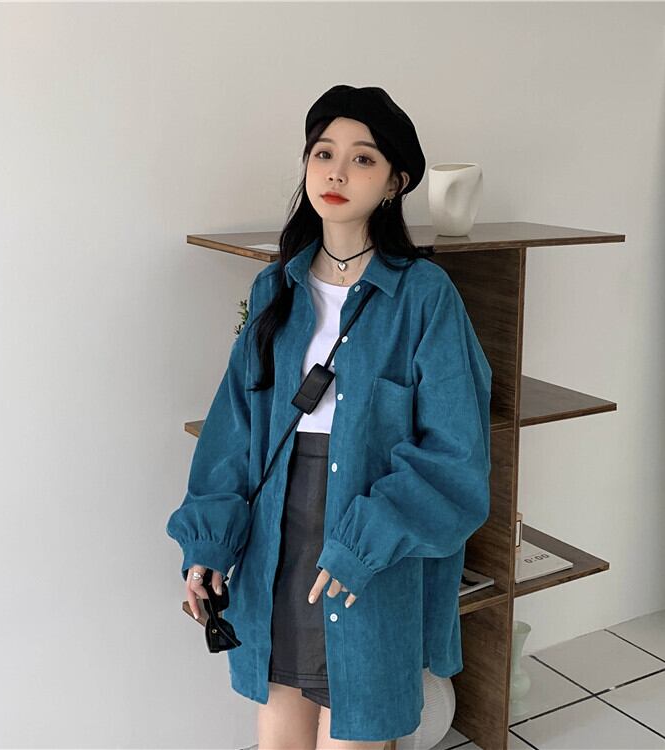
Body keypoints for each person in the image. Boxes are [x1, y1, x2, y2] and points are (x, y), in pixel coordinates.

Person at [166, 84, 493, 750]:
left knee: (356, 731)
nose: (337, 173)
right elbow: (234, 432)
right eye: (323, 153)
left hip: (371, 538)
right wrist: (208, 545)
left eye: (363, 158)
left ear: (396, 181)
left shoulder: (424, 296)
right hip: (276, 538)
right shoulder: (275, 288)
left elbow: (455, 454)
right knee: (278, 733)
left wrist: (366, 540)